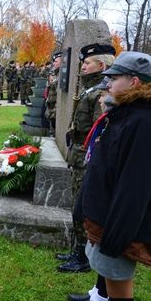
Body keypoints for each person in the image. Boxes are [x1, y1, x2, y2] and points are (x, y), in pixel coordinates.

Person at [76, 51, 151, 301]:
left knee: (119, 290)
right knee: (108, 279)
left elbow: (135, 186)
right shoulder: (124, 114)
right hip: (104, 218)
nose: (108, 83)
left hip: (116, 227)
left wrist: (115, 239)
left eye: (114, 77)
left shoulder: (142, 122)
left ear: (135, 82)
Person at [58, 43, 116, 275]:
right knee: (76, 204)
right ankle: (76, 249)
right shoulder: (88, 90)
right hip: (79, 154)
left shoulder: (100, 94)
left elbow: (98, 130)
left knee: (81, 207)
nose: (83, 67)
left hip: (87, 157)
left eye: (87, 63)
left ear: (100, 65)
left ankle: (81, 257)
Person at [45, 52, 62, 137]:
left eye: (56, 61)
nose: (54, 63)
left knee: (54, 134)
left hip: (55, 111)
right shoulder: (57, 73)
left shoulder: (60, 75)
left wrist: (53, 112)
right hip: (51, 110)